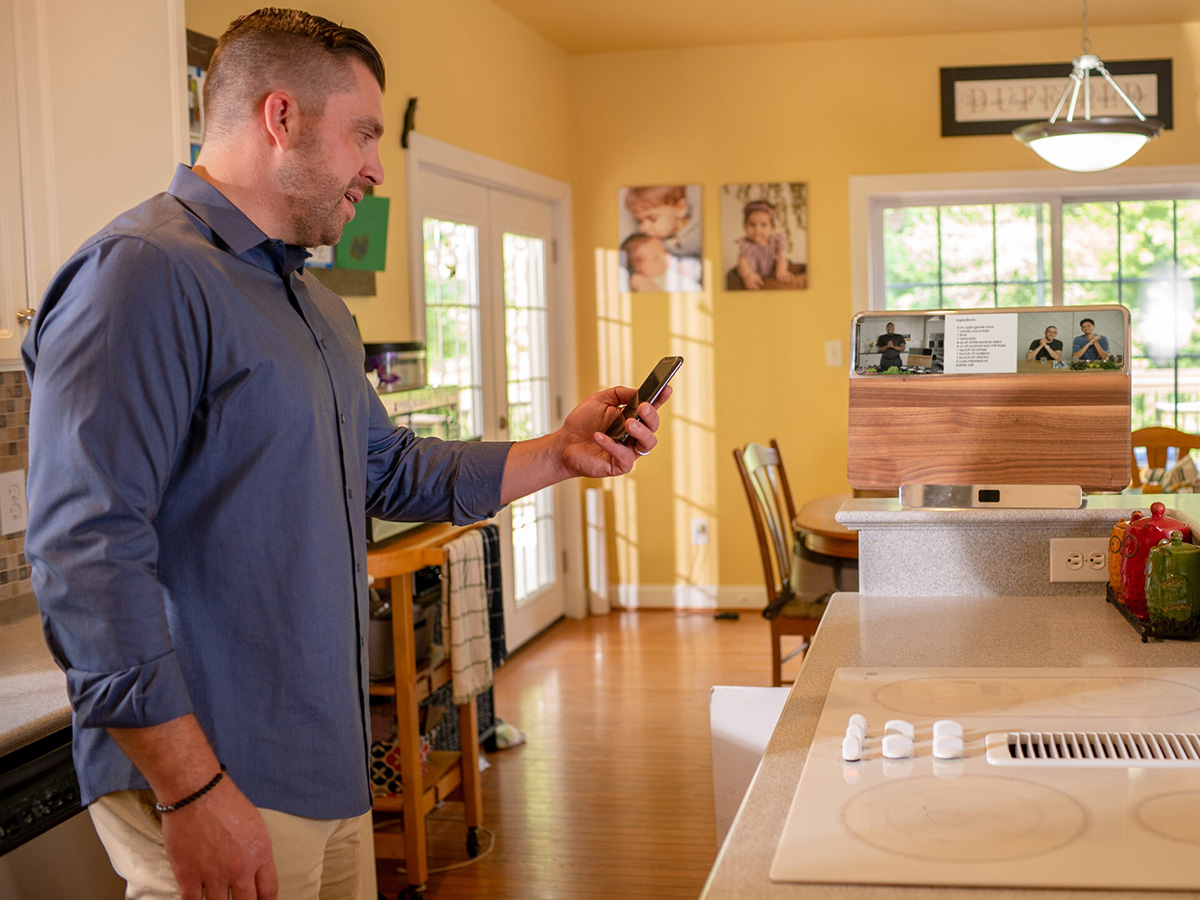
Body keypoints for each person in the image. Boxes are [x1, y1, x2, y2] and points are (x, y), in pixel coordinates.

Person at [21, 10, 670, 900]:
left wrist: (560, 452)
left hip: (323, 763)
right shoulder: (141, 274)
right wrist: (192, 788)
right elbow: (84, 555)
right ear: (280, 117)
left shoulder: (313, 305)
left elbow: (390, 470)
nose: (375, 165)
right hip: (217, 767)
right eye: (362, 133)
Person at [734, 200, 800, 290]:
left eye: (763, 225)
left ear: (772, 227)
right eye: (752, 225)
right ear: (745, 226)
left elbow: (781, 258)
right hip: (756, 277)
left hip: (773, 276)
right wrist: (748, 274)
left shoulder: (775, 243)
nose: (757, 229)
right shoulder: (747, 246)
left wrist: (781, 270)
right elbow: (742, 262)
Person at [624, 184, 700, 257]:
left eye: (653, 219)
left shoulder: (700, 235)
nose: (644, 228)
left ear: (679, 208)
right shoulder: (653, 244)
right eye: (639, 221)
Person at [620, 233, 702, 292]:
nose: (664, 257)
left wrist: (692, 267)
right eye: (656, 259)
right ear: (639, 269)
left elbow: (699, 269)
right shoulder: (645, 282)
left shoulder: (675, 265)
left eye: (664, 251)